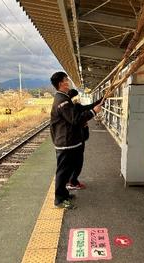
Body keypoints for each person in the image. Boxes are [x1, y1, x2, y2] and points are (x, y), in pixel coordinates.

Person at [50, 72, 102, 209]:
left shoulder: (64, 98)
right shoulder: (62, 101)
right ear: (62, 83)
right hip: (65, 143)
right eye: (67, 79)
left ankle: (65, 194)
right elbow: (75, 120)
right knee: (62, 172)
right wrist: (93, 112)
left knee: (67, 171)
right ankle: (59, 200)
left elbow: (76, 115)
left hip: (70, 142)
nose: (69, 81)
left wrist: (95, 106)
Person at [66, 89, 103, 190]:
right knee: (77, 162)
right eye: (76, 97)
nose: (77, 99)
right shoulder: (73, 107)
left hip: (74, 139)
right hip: (76, 139)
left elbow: (89, 107)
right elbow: (84, 113)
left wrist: (102, 99)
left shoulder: (68, 107)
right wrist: (93, 111)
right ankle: (72, 182)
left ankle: (71, 180)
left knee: (73, 161)